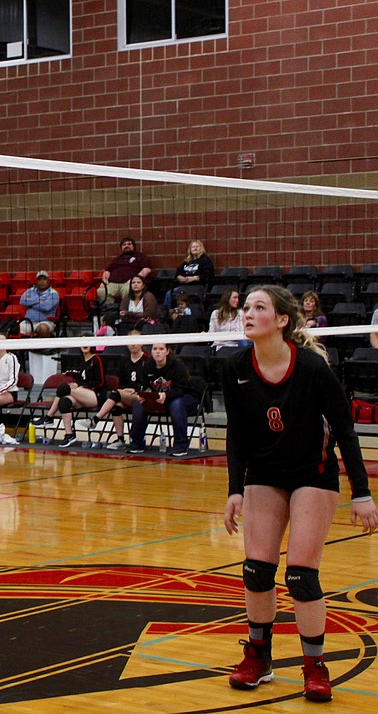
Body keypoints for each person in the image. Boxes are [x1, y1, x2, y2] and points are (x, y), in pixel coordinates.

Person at [221, 285, 376, 702]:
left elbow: (344, 430)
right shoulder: (235, 366)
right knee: (256, 570)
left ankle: (314, 665)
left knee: (301, 576)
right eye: (246, 307)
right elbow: (237, 435)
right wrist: (235, 490)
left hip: (314, 473)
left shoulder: (310, 367)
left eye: (259, 307)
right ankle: (259, 658)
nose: (248, 313)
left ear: (282, 320)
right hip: (265, 473)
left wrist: (361, 493)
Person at [76, 330, 149, 450]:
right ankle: (120, 439)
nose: (133, 345)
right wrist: (125, 389)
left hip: (141, 396)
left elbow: (148, 382)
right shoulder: (124, 361)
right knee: (116, 406)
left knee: (115, 394)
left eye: (136, 341)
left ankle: (95, 419)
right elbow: (122, 382)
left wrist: (135, 389)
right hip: (127, 395)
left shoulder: (147, 360)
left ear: (142, 343)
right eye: (131, 342)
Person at [127, 342, 203, 456]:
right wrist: (143, 395)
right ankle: (137, 443)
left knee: (176, 404)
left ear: (167, 351)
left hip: (184, 397)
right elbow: (142, 385)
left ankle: (181, 445)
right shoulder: (148, 365)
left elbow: (181, 389)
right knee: (139, 404)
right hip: (159, 398)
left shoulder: (177, 366)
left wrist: (166, 396)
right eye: (155, 349)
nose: (158, 351)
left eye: (161, 349)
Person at [38, 343, 105, 447]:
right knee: (64, 401)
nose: (85, 344)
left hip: (96, 395)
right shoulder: (83, 361)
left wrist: (80, 385)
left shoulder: (97, 359)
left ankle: (49, 416)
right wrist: (71, 373)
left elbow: (100, 381)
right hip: (83, 395)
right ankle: (69, 435)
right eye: (82, 342)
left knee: (64, 387)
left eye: (88, 341)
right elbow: (81, 375)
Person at [98, 236, 153, 304]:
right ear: (121, 248)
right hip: (114, 283)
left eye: (129, 244)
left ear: (134, 246)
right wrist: (104, 280)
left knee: (128, 290)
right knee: (101, 291)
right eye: (124, 244)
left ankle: (124, 310)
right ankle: (110, 310)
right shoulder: (117, 259)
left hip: (129, 283)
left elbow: (147, 270)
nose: (126, 246)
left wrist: (135, 280)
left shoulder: (141, 257)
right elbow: (107, 270)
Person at [163, 239, 215, 308]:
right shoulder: (187, 261)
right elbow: (178, 272)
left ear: (201, 248)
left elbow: (208, 275)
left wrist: (194, 278)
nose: (195, 248)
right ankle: (168, 312)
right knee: (169, 294)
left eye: (197, 246)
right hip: (184, 287)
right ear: (190, 249)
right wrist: (179, 277)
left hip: (198, 287)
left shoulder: (205, 260)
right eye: (193, 247)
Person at [18, 270, 59, 337]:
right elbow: (22, 301)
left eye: (44, 279)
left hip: (44, 322)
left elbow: (46, 307)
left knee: (43, 329)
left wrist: (30, 304)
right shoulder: (30, 291)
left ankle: (43, 347)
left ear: (48, 281)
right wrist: (39, 301)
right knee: (13, 328)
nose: (42, 281)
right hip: (28, 322)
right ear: (36, 281)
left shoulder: (53, 293)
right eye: (39, 279)